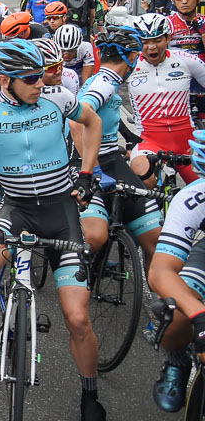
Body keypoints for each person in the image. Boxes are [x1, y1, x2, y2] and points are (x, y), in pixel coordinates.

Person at [0, 39, 109, 421]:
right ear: (4, 79)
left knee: (77, 318)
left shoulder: (59, 96)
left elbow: (92, 123)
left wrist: (87, 173)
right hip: (17, 210)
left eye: (41, 74)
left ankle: (90, 396)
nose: (40, 82)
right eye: (29, 78)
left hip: (60, 211)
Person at [74, 28, 161, 265]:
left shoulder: (101, 79)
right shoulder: (106, 82)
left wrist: (130, 137)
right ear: (132, 57)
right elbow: (76, 120)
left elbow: (105, 117)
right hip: (96, 162)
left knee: (154, 235)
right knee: (97, 237)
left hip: (111, 158)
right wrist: (90, 169)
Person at [148, 130, 205, 413]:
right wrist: (198, 315)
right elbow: (160, 272)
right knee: (176, 317)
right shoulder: (193, 197)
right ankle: (177, 359)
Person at [128, 13, 205, 185]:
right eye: (145, 42)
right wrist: (126, 136)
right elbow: (104, 101)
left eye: (157, 40)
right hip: (149, 140)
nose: (151, 47)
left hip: (187, 140)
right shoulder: (128, 64)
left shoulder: (185, 59)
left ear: (168, 38)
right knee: (144, 180)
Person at [169, 0, 205, 120]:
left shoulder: (203, 20)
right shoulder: (167, 23)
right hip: (175, 74)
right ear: (173, 1)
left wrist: (203, 31)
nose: (184, 1)